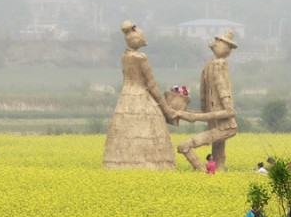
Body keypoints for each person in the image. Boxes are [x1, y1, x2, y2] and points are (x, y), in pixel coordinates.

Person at [103, 22, 183, 170]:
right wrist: (166, 108)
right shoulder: (140, 58)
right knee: (149, 134)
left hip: (125, 100)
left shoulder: (125, 56)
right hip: (142, 98)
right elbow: (151, 84)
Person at [172, 30, 240, 170]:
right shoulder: (211, 66)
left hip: (225, 127)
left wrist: (191, 116)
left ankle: (203, 171)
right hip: (216, 125)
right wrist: (184, 114)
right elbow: (205, 103)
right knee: (218, 158)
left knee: (185, 146)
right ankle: (212, 175)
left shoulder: (217, 65)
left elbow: (229, 110)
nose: (227, 49)